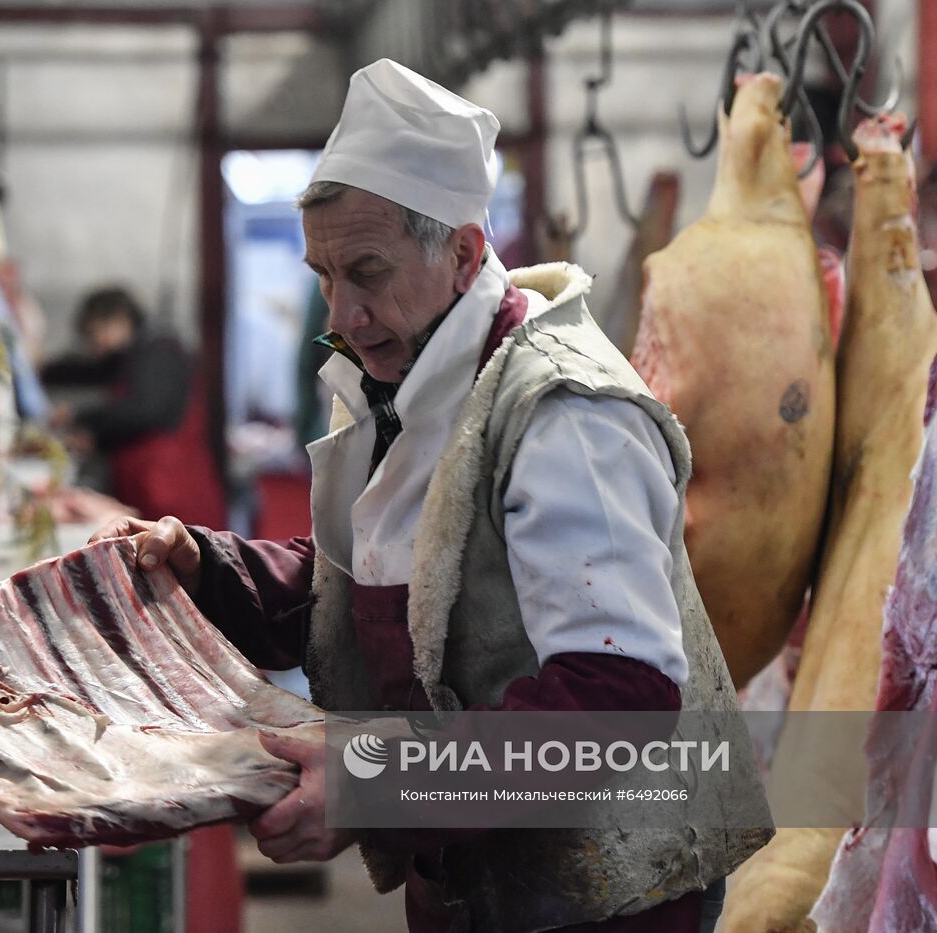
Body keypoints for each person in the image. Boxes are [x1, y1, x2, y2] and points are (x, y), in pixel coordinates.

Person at [96, 59, 767, 931]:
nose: (343, 312)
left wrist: (372, 783)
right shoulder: (418, 384)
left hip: (605, 902)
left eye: (367, 273)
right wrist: (209, 568)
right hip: (481, 887)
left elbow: (616, 697)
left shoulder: (563, 415)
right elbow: (392, 596)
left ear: (463, 250)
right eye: (325, 276)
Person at [43, 287, 225, 527]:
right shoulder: (136, 351)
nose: (96, 346)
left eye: (93, 333)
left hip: (170, 486)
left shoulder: (159, 349)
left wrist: (80, 418)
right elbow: (89, 370)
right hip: (150, 484)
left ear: (116, 320)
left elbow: (145, 411)